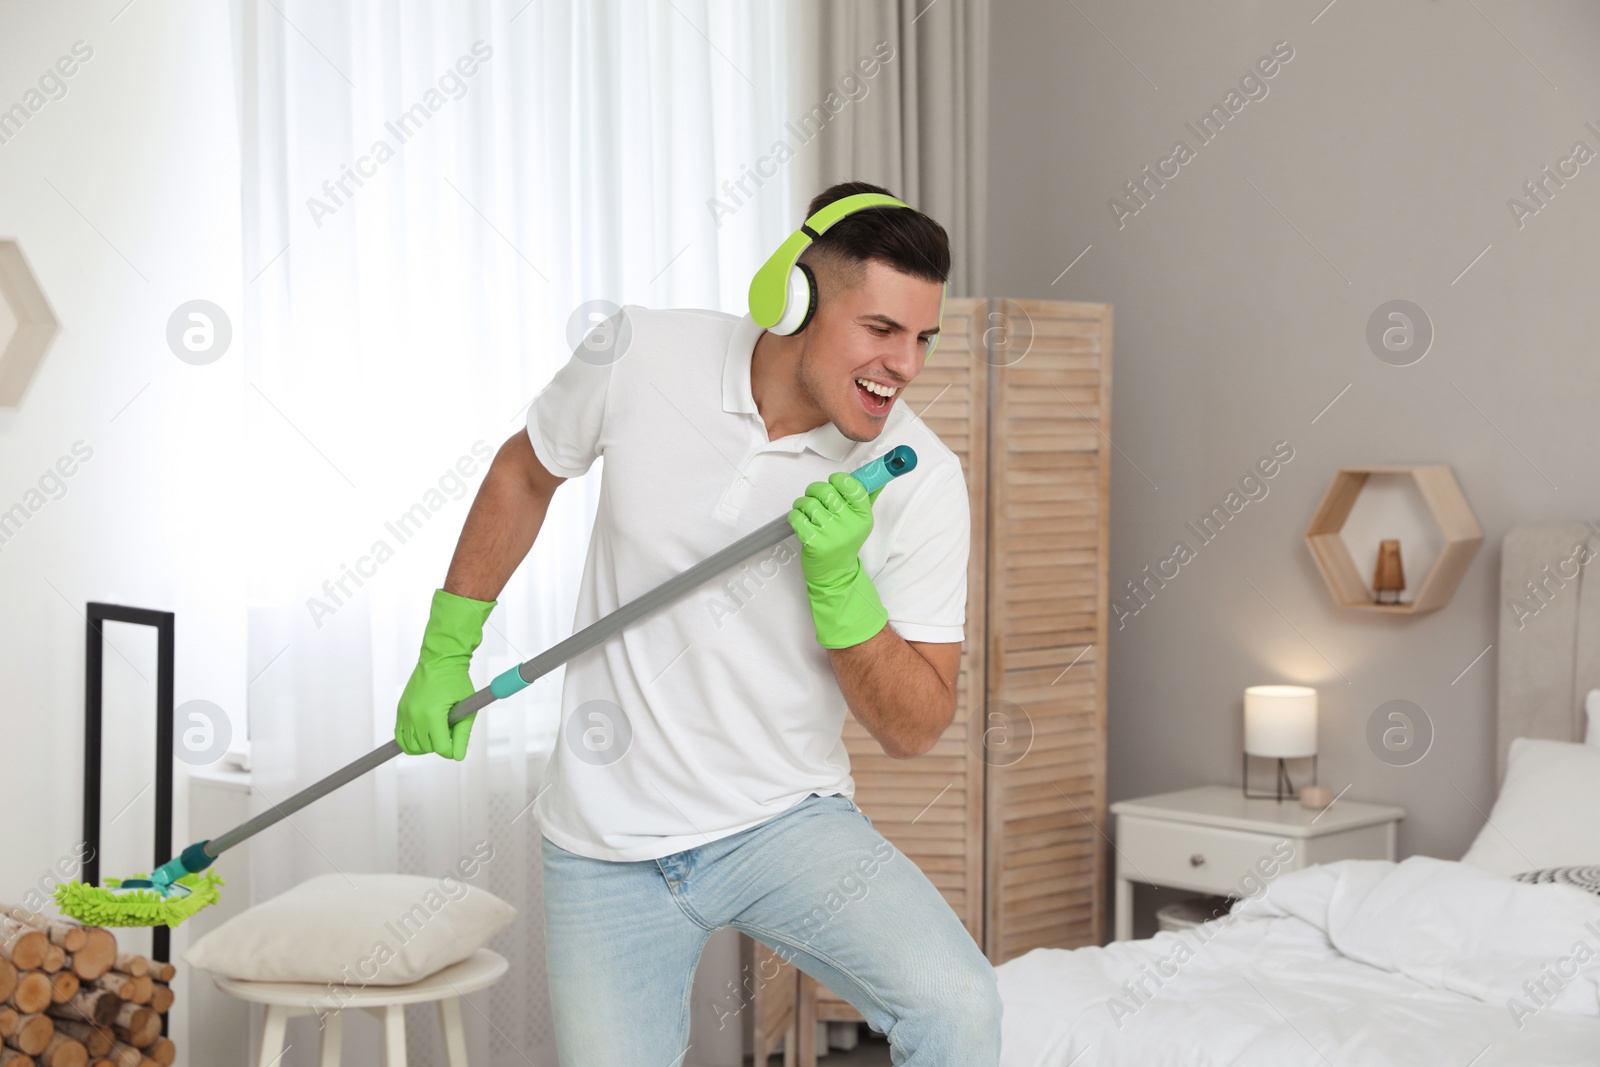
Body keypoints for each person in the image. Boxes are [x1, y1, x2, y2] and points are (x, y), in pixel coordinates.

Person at [394, 180, 1002, 1065]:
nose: (904, 364)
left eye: (922, 338)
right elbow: (525, 474)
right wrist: (447, 647)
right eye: (880, 329)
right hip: (605, 841)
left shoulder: (919, 477)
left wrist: (844, 593)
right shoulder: (642, 353)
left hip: (784, 822)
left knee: (961, 1006)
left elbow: (917, 724)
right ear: (793, 296)